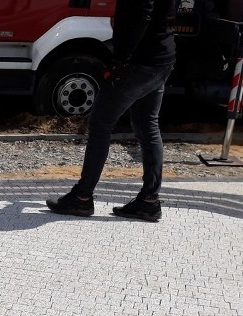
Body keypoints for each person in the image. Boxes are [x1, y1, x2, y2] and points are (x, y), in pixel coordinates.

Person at [46, 0, 176, 223]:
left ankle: (82, 197)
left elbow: (143, 13)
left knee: (100, 124)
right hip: (162, 57)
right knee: (148, 126)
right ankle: (149, 201)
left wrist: (120, 59)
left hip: (139, 62)